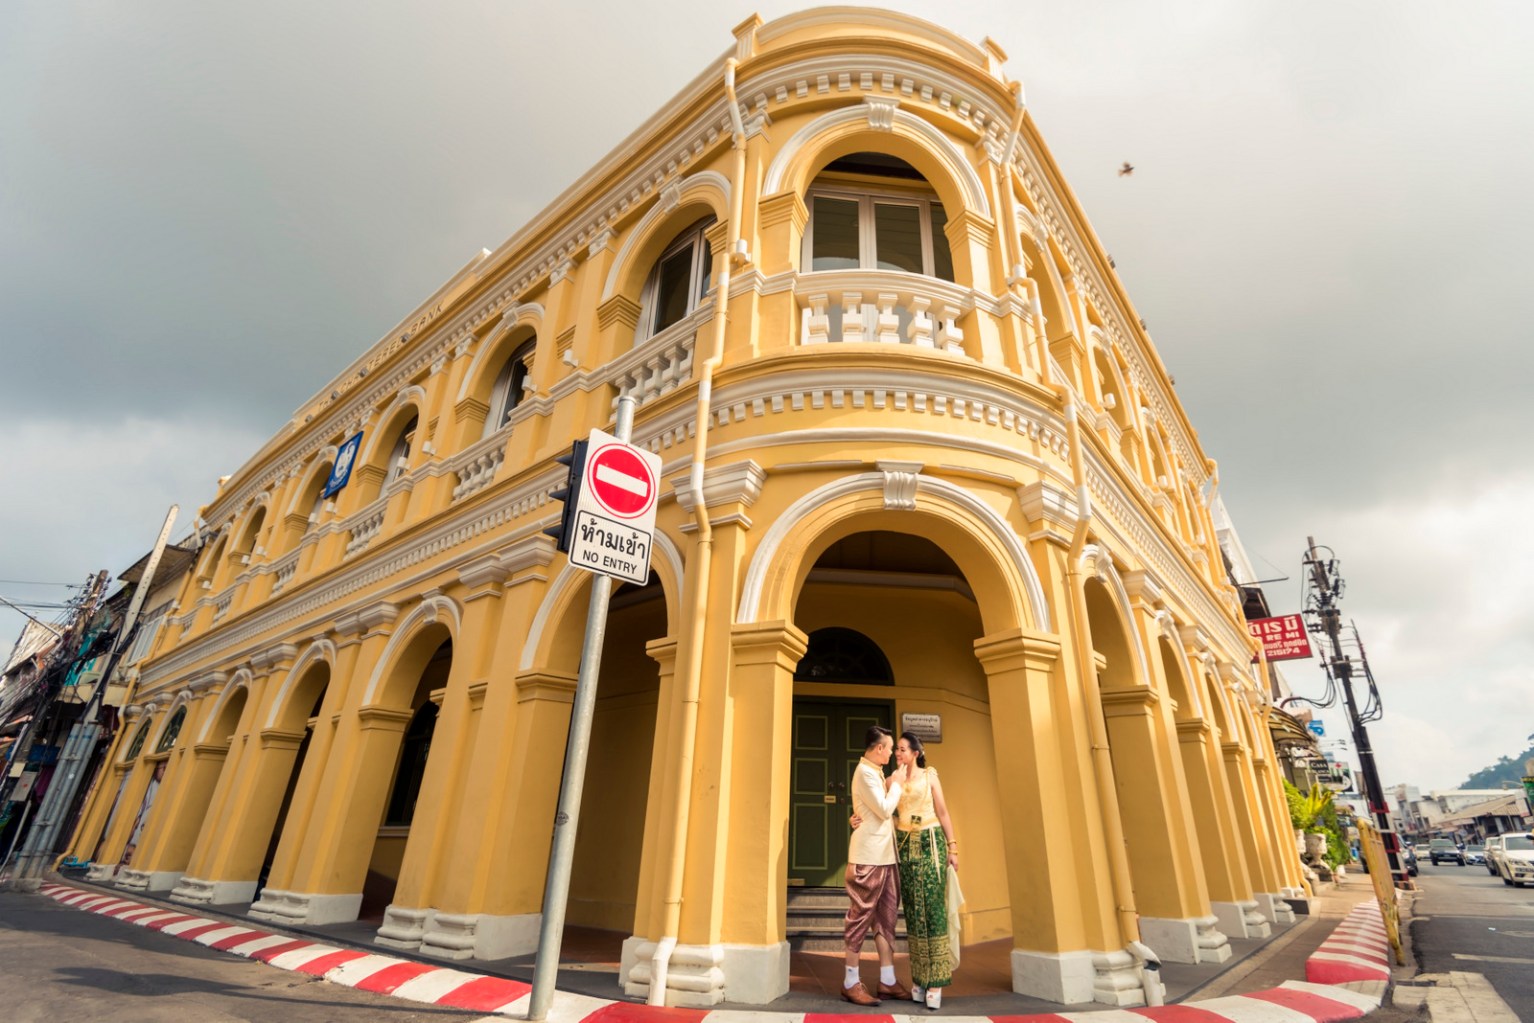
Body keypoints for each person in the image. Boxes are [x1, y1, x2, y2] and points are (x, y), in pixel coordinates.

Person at [890, 732, 958, 1009]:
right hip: (906, 845)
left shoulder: (930, 776)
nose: (897, 753)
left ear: (915, 753)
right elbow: (882, 810)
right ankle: (919, 978)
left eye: (902, 749)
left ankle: (936, 981)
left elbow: (943, 812)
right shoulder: (892, 779)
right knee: (913, 909)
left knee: (932, 907)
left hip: (931, 841)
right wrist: (855, 817)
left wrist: (952, 847)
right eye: (896, 749)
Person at [841, 725, 908, 1006]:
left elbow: (871, 811)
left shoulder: (876, 772)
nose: (891, 753)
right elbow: (883, 809)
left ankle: (888, 981)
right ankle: (850, 983)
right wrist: (898, 784)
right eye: (889, 748)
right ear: (879, 748)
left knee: (886, 918)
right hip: (868, 858)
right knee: (859, 919)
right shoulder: (865, 773)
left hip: (886, 857)